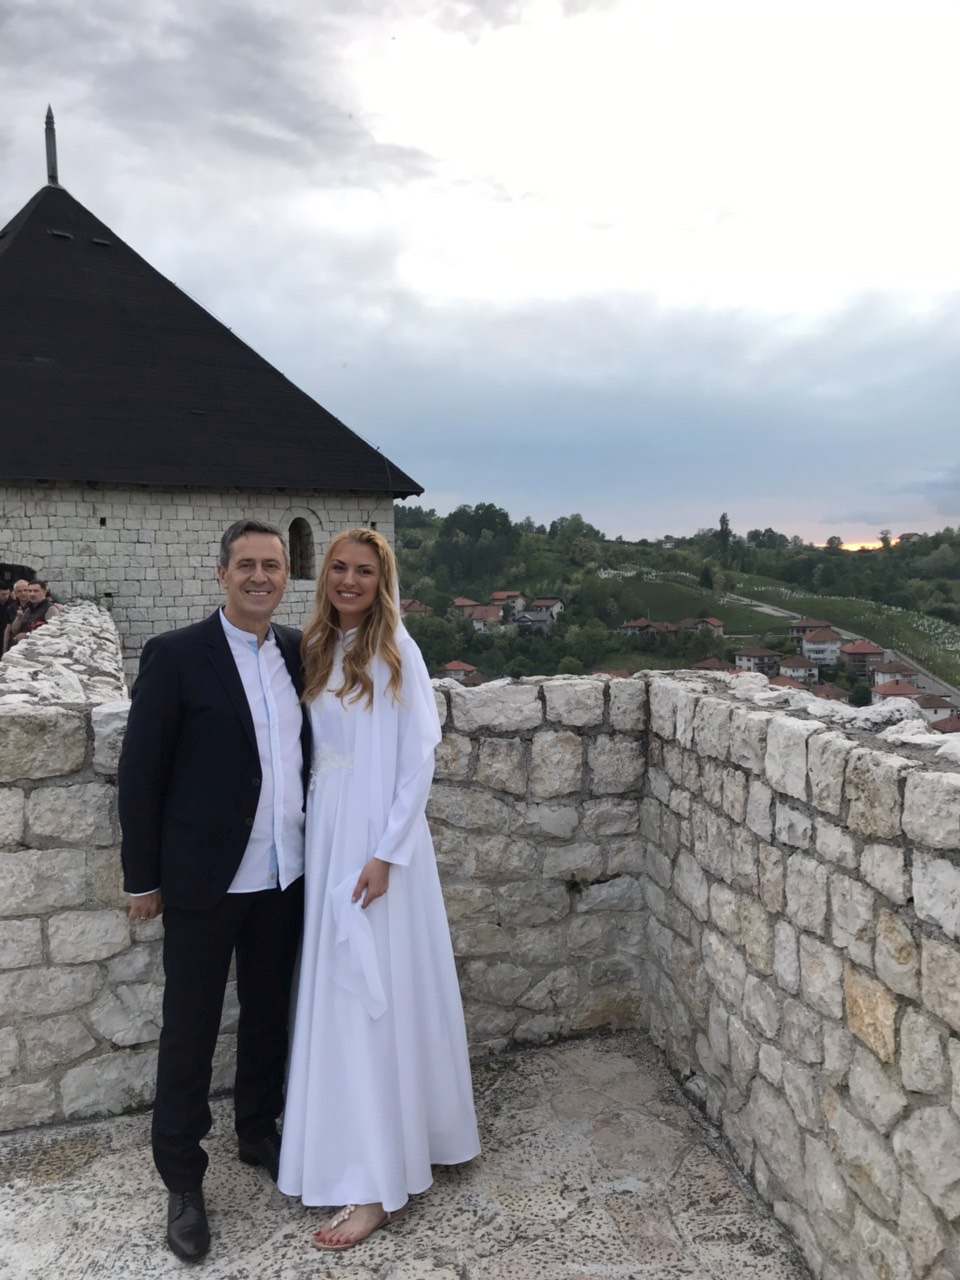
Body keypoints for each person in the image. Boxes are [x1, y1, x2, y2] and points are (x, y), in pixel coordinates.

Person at [278, 527, 480, 1250]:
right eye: (339, 568)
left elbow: (419, 754)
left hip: (378, 843)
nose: (349, 580)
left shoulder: (397, 648)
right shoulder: (316, 646)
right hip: (328, 830)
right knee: (338, 990)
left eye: (364, 571)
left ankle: (375, 1181)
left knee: (372, 992)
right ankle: (352, 1141)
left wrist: (387, 853)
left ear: (381, 580)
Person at [118, 519, 310, 1264]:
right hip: (205, 878)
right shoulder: (176, 655)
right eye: (247, 565)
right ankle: (182, 1180)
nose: (260, 577)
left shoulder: (297, 651)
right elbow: (141, 774)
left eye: (272, 566)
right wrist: (143, 877)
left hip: (284, 874)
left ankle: (258, 1132)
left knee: (269, 1015)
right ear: (222, 573)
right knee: (190, 1031)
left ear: (286, 575)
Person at [7, 579, 62, 646]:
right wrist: (19, 618)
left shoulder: (50, 609)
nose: (32, 594)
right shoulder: (28, 609)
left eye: (36, 591)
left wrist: (28, 636)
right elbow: (14, 631)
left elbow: (54, 633)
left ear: (44, 592)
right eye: (30, 591)